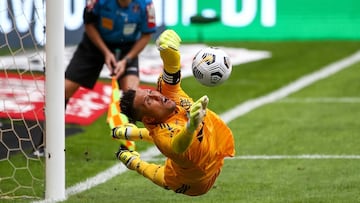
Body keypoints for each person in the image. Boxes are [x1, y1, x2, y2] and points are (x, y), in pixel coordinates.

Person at [111, 29, 235, 196]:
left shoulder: (167, 95)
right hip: (197, 180)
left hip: (214, 147)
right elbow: (178, 146)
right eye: (149, 101)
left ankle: (128, 132)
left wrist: (169, 50)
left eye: (150, 92)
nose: (156, 95)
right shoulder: (164, 137)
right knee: (165, 178)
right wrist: (190, 127)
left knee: (150, 134)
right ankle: (131, 161)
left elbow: (171, 69)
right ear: (148, 117)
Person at [63, 0, 156, 151]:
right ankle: (46, 144)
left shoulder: (146, 4)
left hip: (127, 48)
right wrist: (106, 53)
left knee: (131, 93)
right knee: (64, 89)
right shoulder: (97, 2)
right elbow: (89, 25)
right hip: (95, 44)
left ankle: (127, 146)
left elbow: (146, 35)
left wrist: (126, 60)